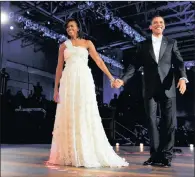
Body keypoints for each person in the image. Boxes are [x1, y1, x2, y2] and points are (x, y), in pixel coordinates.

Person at [48, 18, 128, 168]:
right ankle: (70, 152)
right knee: (69, 114)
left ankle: (85, 150)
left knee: (84, 112)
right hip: (68, 81)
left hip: (84, 80)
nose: (69, 29)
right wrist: (56, 89)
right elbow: (59, 68)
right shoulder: (63, 46)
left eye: (72, 26)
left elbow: (98, 60)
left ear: (78, 28)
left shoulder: (87, 43)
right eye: (67, 27)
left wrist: (111, 78)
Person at [112, 15, 188, 167]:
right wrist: (123, 79)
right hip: (150, 88)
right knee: (151, 122)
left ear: (164, 26)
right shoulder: (143, 45)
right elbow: (134, 65)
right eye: (155, 23)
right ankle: (155, 156)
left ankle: (166, 156)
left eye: (161, 22)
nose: (158, 24)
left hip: (168, 87)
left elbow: (179, 62)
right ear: (151, 27)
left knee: (169, 123)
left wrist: (182, 78)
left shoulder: (172, 43)